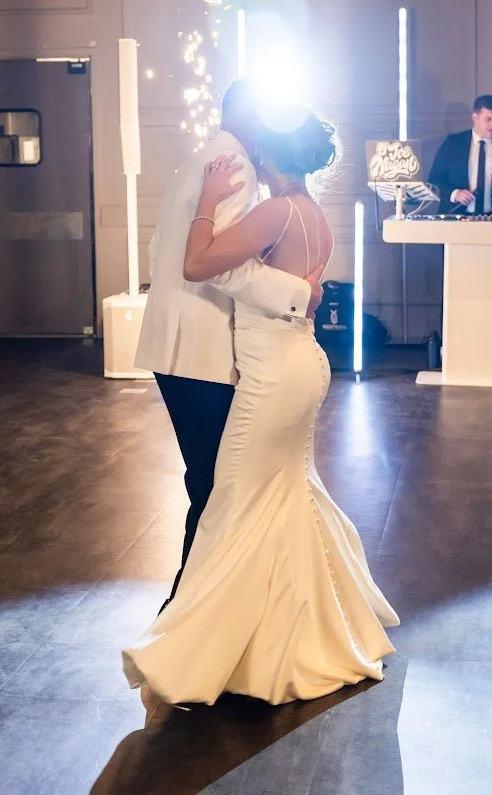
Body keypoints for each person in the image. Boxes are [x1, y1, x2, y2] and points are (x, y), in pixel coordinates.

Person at [123, 109, 399, 707]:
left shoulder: (275, 210)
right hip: (299, 366)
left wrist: (206, 202)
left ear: (268, 158)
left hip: (274, 377)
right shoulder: (313, 215)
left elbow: (198, 265)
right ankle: (293, 627)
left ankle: (214, 642)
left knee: (236, 500)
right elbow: (289, 287)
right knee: (280, 493)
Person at [135, 81, 324, 611]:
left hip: (176, 339)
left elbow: (159, 248)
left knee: (216, 481)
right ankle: (190, 614)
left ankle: (197, 608)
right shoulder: (234, 165)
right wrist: (297, 292)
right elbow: (217, 265)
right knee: (217, 488)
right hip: (202, 346)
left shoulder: (205, 157)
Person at [428, 94, 492, 216]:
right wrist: (454, 194)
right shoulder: (452, 144)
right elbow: (433, 181)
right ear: (475, 117)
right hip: (455, 219)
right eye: (488, 119)